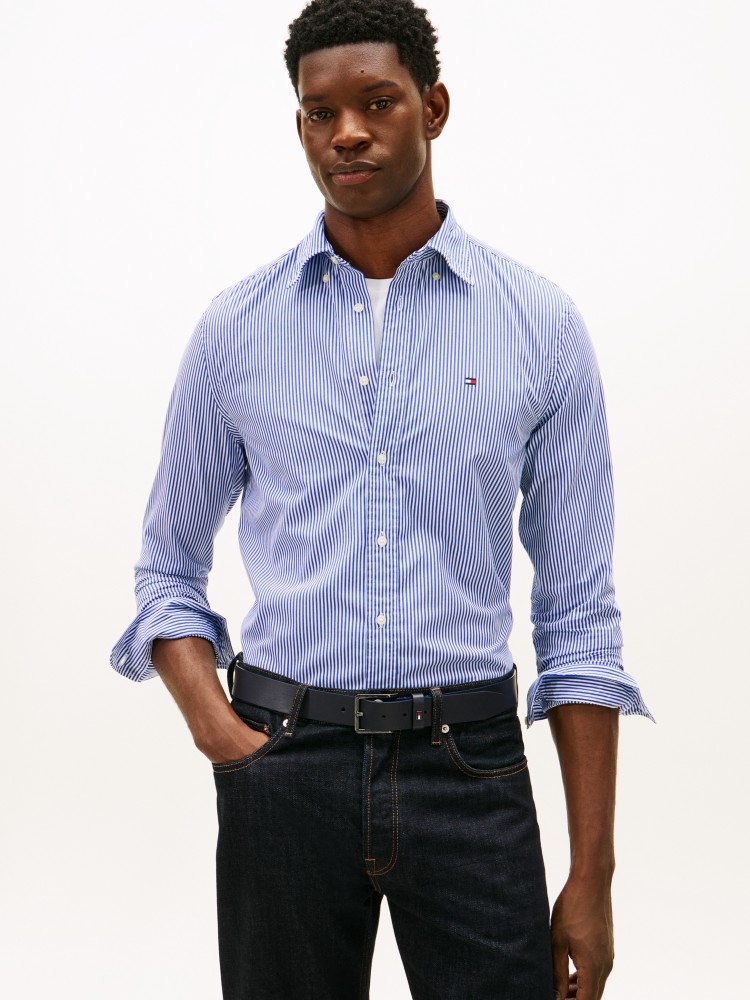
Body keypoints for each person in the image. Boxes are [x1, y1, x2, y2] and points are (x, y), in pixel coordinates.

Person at [110, 1, 653, 997]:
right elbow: (166, 570)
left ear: (433, 108)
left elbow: (579, 615)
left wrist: (593, 873)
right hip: (283, 762)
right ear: (300, 127)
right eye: (321, 113)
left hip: (471, 768)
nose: (347, 132)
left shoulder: (538, 325)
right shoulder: (237, 329)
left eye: (377, 102)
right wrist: (222, 735)